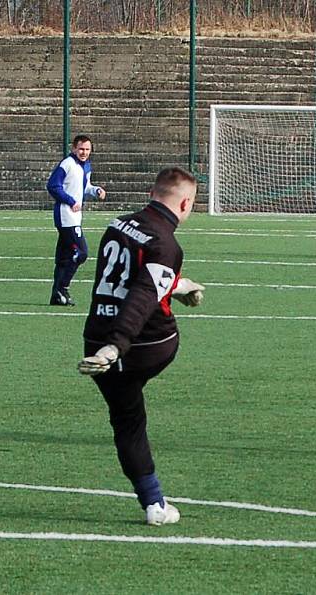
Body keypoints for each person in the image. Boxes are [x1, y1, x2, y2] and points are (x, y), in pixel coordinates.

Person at [77, 167, 205, 526]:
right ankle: (155, 506)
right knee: (132, 408)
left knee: (128, 420)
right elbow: (143, 294)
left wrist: (177, 285)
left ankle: (154, 504)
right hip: (143, 346)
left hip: (94, 337)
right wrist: (117, 347)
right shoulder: (167, 244)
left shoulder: (118, 224)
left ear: (152, 191)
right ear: (185, 204)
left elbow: (135, 280)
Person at [46, 134, 106, 306]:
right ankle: (62, 288)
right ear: (74, 148)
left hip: (75, 217)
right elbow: (52, 185)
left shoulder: (85, 165)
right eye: (81, 149)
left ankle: (56, 296)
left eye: (87, 149)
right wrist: (70, 201)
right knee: (81, 252)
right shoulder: (67, 164)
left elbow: (84, 186)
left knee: (64, 257)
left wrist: (95, 190)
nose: (84, 152)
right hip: (66, 216)